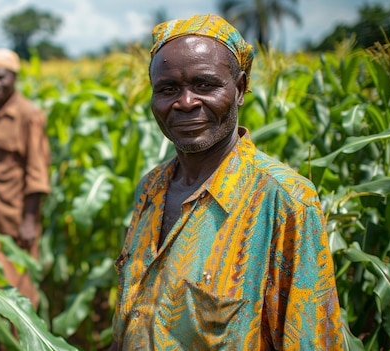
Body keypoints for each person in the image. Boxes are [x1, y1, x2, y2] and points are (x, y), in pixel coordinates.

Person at [109, 14, 344, 350]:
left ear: (241, 89)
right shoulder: (151, 187)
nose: (185, 102)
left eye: (205, 85)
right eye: (168, 89)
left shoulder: (284, 201)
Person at [0, 48, 51, 309]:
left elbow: (37, 170)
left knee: (14, 291)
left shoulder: (28, 115)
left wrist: (29, 220)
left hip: (12, 223)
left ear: (14, 77)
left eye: (1, 77)